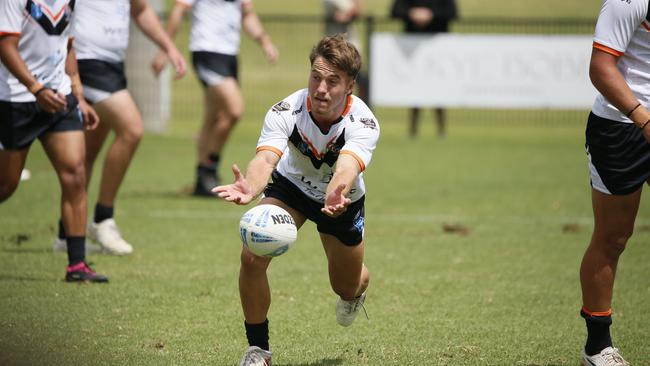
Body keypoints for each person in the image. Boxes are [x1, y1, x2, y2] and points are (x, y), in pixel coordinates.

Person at [214, 35, 380, 365]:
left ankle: (357, 290)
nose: (321, 88)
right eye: (316, 77)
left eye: (333, 81)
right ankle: (258, 350)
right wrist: (251, 187)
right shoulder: (287, 110)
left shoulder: (363, 122)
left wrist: (338, 192)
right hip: (292, 188)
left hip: (341, 200)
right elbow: (265, 160)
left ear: (350, 85)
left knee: (346, 286)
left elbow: (347, 166)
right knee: (251, 255)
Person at [52, 0, 187, 256]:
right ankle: (103, 218)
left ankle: (66, 233)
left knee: (86, 154)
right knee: (132, 128)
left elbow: (141, 10)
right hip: (84, 61)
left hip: (113, 64)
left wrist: (169, 47)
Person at [0, 0, 107, 282]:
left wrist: (79, 96)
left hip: (59, 97)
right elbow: (5, 45)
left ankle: (77, 265)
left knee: (75, 173)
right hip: (17, 99)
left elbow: (67, 45)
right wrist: (36, 89)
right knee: (6, 184)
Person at [580, 0, 650, 365]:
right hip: (622, 128)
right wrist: (644, 119)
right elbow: (601, 68)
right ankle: (597, 346)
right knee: (613, 237)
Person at [152, 0, 279, 197]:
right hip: (205, 51)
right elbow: (178, 11)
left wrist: (264, 41)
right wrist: (164, 50)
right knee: (234, 110)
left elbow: (247, 14)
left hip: (230, 56)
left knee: (213, 118)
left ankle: (202, 182)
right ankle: (209, 168)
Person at [390, 0, 458, 139]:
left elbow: (452, 12)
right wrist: (411, 13)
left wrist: (431, 15)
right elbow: (395, 11)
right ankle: (412, 130)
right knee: (415, 90)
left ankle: (441, 131)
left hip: (439, 47)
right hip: (412, 48)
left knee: (439, 90)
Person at [323, 0, 368, 103]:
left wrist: (349, 14)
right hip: (333, 44)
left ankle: (361, 106)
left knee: (360, 79)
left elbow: (357, 9)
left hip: (350, 44)